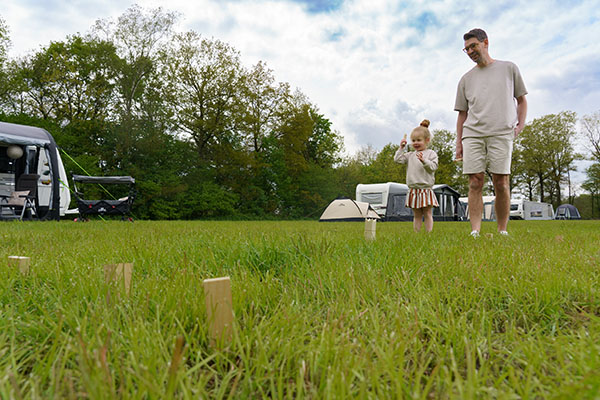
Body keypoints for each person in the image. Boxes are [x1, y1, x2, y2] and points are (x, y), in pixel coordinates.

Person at [454, 28, 527, 238]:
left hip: (501, 133)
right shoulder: (465, 79)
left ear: (485, 42)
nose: (469, 51)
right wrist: (459, 143)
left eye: (473, 46)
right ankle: (475, 231)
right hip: (473, 133)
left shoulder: (509, 68)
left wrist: (519, 125)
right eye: (466, 49)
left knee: (501, 182)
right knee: (475, 181)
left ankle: (502, 230)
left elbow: (521, 100)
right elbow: (462, 114)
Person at [394, 120, 439, 232]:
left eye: (419, 140)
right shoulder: (410, 155)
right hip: (413, 189)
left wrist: (424, 160)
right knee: (417, 214)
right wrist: (401, 148)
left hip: (425, 189)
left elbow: (433, 167)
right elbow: (397, 159)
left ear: (427, 140)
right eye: (413, 140)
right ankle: (417, 234)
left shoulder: (431, 154)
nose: (416, 143)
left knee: (427, 213)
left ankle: (429, 233)